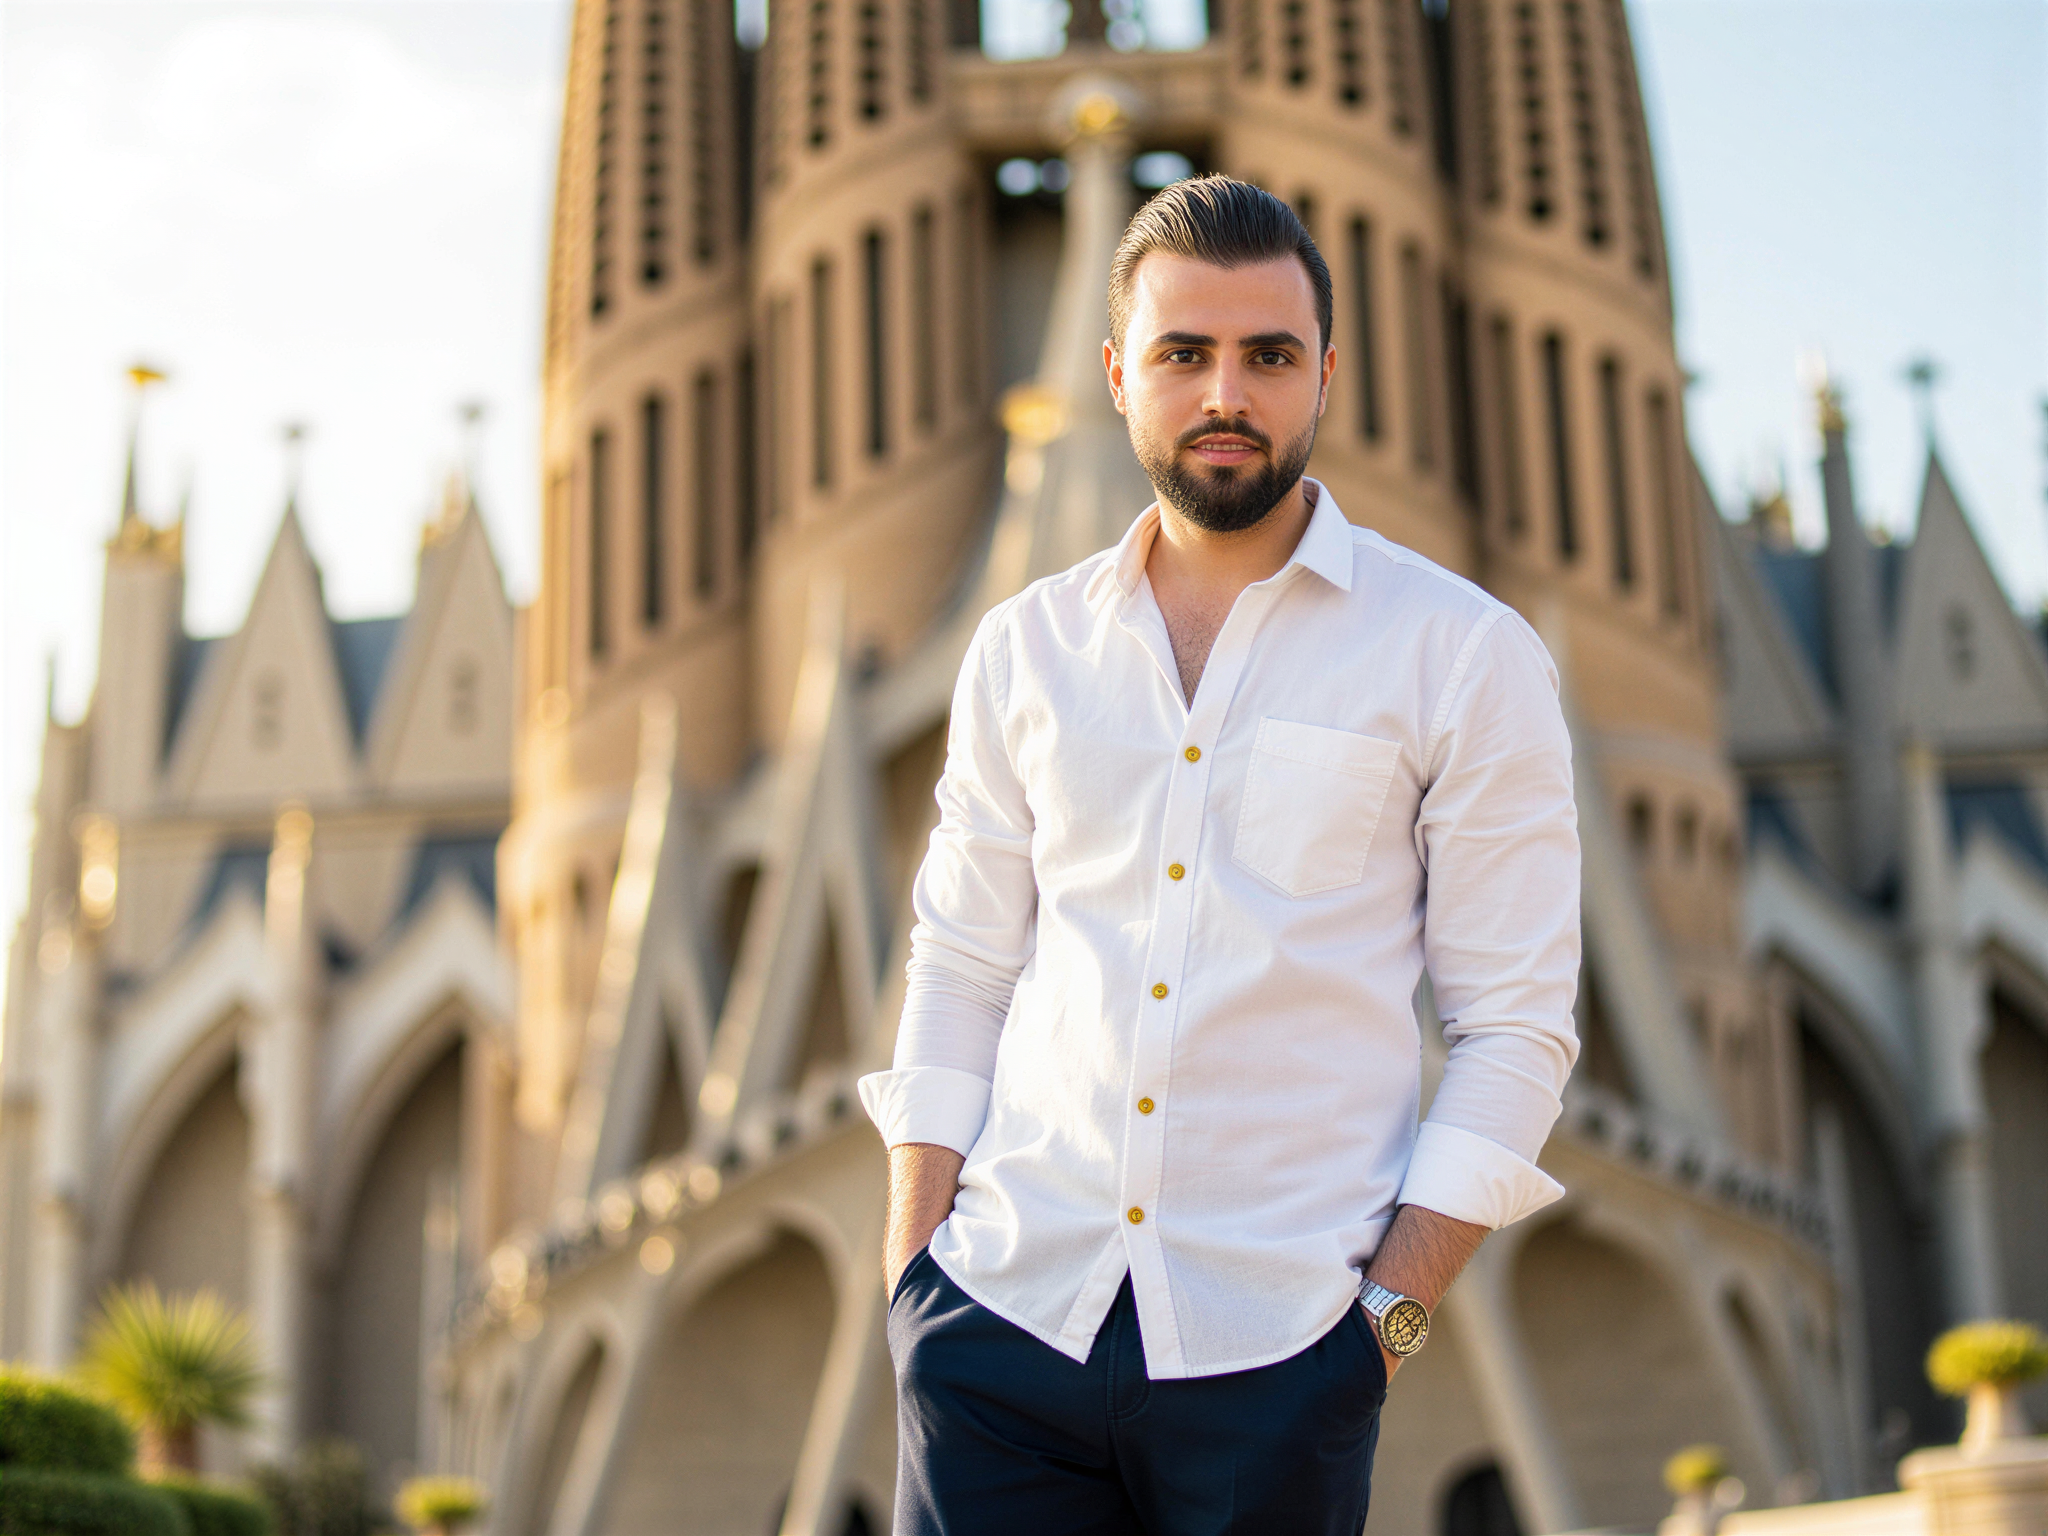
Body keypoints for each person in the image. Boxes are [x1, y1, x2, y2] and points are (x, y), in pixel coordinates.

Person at [858, 174, 1580, 1535]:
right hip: (1000, 1324)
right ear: (1120, 374)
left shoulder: (1460, 655)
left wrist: (1381, 1333)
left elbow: (1516, 1029)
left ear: (1326, 377)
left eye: (1270, 356)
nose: (1226, 395)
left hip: (1282, 1360)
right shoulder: (1027, 648)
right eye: (1185, 353)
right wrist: (914, 1279)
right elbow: (960, 963)